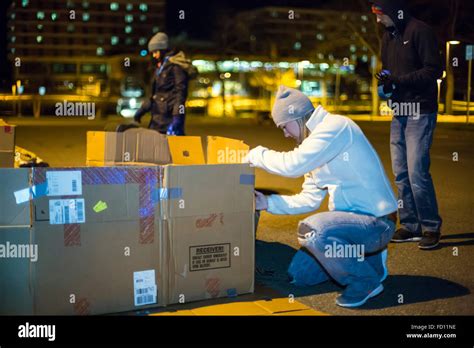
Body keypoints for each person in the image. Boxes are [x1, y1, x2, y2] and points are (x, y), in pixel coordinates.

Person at [244, 86, 398, 308]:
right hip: (351, 226)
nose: (285, 134)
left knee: (313, 231)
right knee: (300, 275)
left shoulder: (336, 127)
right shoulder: (314, 145)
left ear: (297, 116)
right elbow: (309, 199)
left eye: (284, 127)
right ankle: (367, 261)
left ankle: (366, 281)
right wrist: (268, 202)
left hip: (378, 223)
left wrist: (256, 155)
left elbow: (293, 165)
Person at [371, 0, 443, 249]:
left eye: (381, 15)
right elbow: (389, 72)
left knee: (417, 173)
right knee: (400, 174)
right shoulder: (388, 37)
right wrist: (386, 83)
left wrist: (399, 80)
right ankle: (411, 226)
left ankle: (431, 226)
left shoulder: (420, 31)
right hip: (398, 111)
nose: (378, 20)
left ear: (393, 11)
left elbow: (434, 70)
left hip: (420, 111)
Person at [133, 32, 197, 135]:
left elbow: (180, 93)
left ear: (163, 50)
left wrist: (177, 118)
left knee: (173, 149)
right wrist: (142, 110)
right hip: (157, 119)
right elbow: (154, 95)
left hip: (169, 118)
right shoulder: (159, 68)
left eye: (155, 52)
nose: (154, 55)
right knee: (155, 149)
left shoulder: (175, 66)